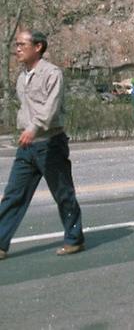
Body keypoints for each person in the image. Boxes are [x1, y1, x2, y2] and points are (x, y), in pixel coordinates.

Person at [0, 30, 84, 260]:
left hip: (50, 143)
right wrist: (25, 128)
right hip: (27, 145)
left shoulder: (52, 73)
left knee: (63, 193)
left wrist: (34, 128)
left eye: (21, 44)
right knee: (13, 194)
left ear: (38, 47)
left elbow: (51, 107)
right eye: (16, 45)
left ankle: (74, 239)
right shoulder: (22, 77)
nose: (17, 49)